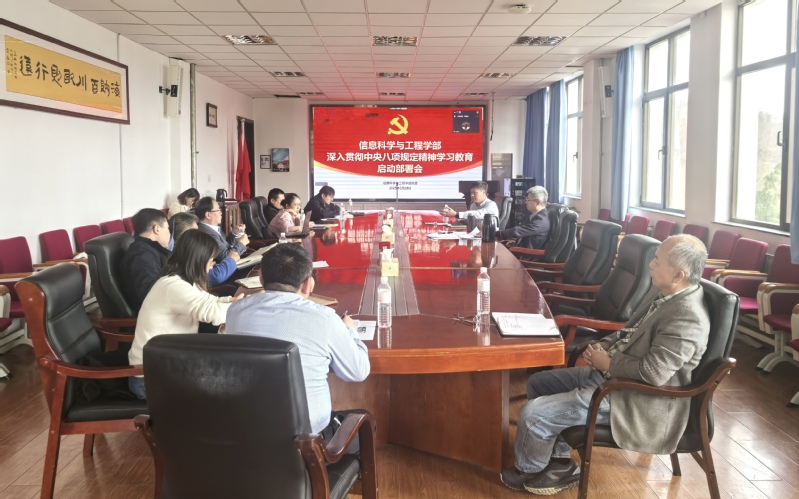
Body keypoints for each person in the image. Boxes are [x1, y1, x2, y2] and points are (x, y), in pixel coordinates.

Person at [501, 234, 710, 495]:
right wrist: (605, 345)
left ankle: (529, 470)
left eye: (657, 261)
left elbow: (654, 373)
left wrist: (608, 363)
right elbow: (628, 331)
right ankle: (560, 462)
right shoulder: (664, 292)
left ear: (678, 275)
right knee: (539, 383)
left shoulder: (687, 318)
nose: (651, 265)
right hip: (611, 378)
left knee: (534, 415)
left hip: (634, 398)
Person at [225, 243, 370, 440]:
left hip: (247, 431)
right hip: (306, 442)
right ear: (308, 284)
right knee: (367, 420)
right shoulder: (325, 318)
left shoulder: (236, 311)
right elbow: (358, 371)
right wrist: (350, 330)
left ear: (261, 279)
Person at [127, 230, 240, 399]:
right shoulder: (174, 286)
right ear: (198, 260)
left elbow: (210, 301)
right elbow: (214, 314)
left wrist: (234, 301)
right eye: (211, 260)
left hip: (166, 365)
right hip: (151, 378)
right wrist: (243, 306)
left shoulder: (181, 281)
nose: (213, 265)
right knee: (228, 382)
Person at [119, 208, 171, 313]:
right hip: (157, 315)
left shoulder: (149, 249)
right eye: (167, 228)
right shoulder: (142, 254)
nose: (169, 233)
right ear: (157, 229)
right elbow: (150, 293)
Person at [172, 212, 238, 287]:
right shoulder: (185, 253)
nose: (199, 234)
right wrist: (231, 259)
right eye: (195, 232)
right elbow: (215, 276)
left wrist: (209, 265)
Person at [195, 196, 249, 262]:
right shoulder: (207, 233)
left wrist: (234, 234)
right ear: (208, 215)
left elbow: (226, 246)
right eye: (218, 210)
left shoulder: (212, 227)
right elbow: (226, 258)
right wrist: (241, 243)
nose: (221, 213)